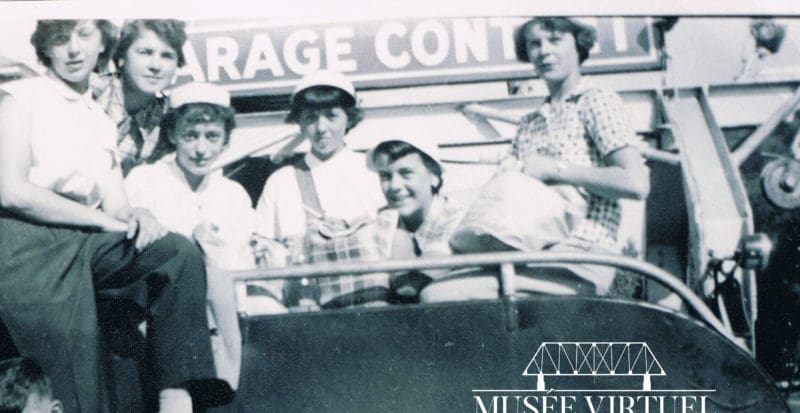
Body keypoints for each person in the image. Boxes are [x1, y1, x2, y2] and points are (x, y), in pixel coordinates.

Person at [0, 19, 237, 413]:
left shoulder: (97, 117)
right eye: (61, 39)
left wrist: (137, 216)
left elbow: (117, 202)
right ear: (45, 47)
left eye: (85, 36)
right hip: (24, 245)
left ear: (103, 45)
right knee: (76, 397)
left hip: (84, 243)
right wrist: (105, 222)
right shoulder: (21, 97)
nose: (74, 50)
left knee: (176, 254)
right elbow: (13, 192)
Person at [423, 17, 649, 302]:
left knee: (439, 296)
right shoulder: (530, 122)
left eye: (555, 40)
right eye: (535, 43)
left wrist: (556, 170)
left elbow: (636, 183)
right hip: (532, 253)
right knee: (432, 282)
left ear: (578, 44)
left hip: (581, 253)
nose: (543, 51)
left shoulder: (596, 101)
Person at [125, 81, 253, 389]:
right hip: (157, 320)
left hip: (222, 324)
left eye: (212, 137)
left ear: (225, 142)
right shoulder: (144, 181)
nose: (200, 149)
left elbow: (240, 265)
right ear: (172, 135)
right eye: (190, 136)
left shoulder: (232, 194)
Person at [254, 70, 385, 248]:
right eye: (311, 118)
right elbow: (263, 248)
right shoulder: (281, 182)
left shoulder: (373, 171)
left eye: (331, 116)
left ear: (349, 118)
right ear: (300, 122)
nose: (321, 127)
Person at [366, 131, 471, 298]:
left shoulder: (456, 216)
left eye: (406, 173)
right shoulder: (382, 218)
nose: (394, 186)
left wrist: (398, 233)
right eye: (386, 176)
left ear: (434, 177)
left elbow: (408, 285)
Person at [92, 20, 188, 175]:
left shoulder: (168, 118)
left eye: (167, 56)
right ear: (122, 57)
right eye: (145, 52)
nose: (156, 66)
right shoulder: (88, 93)